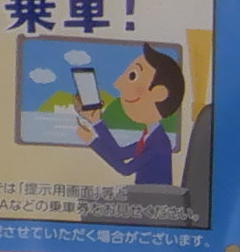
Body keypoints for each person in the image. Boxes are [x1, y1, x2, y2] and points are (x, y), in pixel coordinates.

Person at [78, 45, 184, 187]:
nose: (118, 84)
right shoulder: (149, 136)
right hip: (143, 195)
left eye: (132, 76)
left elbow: (126, 169)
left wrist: (92, 140)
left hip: (153, 198)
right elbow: (120, 153)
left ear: (159, 94)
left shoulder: (159, 142)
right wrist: (96, 122)